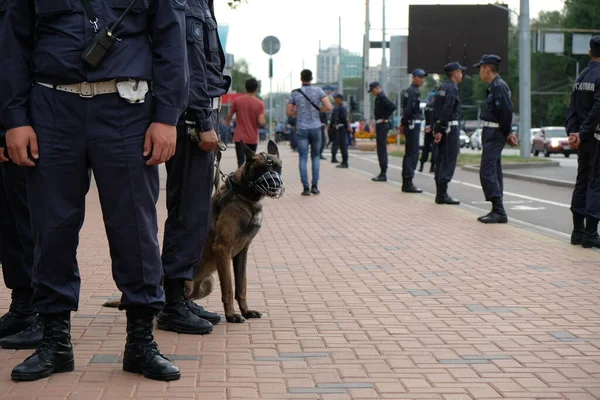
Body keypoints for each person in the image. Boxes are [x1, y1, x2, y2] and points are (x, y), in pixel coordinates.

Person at [1, 1, 188, 382]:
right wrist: (13, 120)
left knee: (134, 227)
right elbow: (12, 45)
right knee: (51, 228)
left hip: (127, 109)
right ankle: (54, 341)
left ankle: (140, 342)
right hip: (51, 108)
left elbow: (171, 42)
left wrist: (167, 117)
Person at [159, 0, 231, 337]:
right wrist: (203, 120)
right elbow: (192, 67)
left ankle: (178, 297)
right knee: (189, 212)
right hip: (192, 119)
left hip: (201, 115)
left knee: (194, 212)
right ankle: (173, 301)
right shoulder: (186, 4)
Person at [474, 54, 518, 224]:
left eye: (480, 68)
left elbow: (505, 112)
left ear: (487, 68)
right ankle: (496, 209)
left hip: (495, 134)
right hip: (491, 133)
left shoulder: (499, 86)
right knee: (493, 170)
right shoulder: (495, 86)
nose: (479, 72)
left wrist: (508, 133)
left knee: (487, 170)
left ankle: (499, 210)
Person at [565, 35, 600, 249]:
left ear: (590, 53)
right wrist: (584, 132)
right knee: (596, 182)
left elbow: (571, 108)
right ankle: (590, 233)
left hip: (583, 140)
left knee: (581, 182)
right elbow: (598, 109)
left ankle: (577, 231)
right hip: (595, 138)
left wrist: (573, 133)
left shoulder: (581, 77)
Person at [287, 69, 333, 196]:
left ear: (301, 78)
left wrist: (299, 112)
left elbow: (289, 112)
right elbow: (329, 107)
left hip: (301, 128)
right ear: (311, 79)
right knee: (315, 156)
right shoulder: (318, 91)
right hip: (316, 127)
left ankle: (305, 188)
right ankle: (315, 186)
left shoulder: (295, 93)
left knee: (303, 157)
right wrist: (319, 110)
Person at [432, 62, 466, 205]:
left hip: (442, 127)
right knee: (449, 160)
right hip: (450, 128)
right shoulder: (452, 88)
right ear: (455, 73)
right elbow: (447, 108)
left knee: (441, 160)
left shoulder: (442, 87)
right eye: (461, 72)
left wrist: (437, 127)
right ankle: (442, 194)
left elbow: (436, 109)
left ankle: (440, 193)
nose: (462, 75)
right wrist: (442, 128)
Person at [226, 78, 265, 167]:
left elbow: (229, 116)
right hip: (252, 138)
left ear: (245, 87)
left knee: (240, 162)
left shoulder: (237, 101)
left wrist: (226, 125)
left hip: (239, 137)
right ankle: (249, 180)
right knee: (251, 162)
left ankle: (240, 180)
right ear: (256, 89)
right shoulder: (260, 104)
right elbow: (261, 121)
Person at [400, 69, 427, 193]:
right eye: (419, 77)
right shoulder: (413, 92)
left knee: (410, 153)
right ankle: (408, 182)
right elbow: (409, 110)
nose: (422, 80)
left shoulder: (410, 91)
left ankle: (407, 181)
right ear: (413, 77)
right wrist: (404, 123)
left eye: (423, 77)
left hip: (410, 124)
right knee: (413, 154)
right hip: (412, 124)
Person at [368, 82, 397, 182]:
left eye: (372, 90)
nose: (372, 93)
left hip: (382, 124)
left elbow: (393, 106)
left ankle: (383, 173)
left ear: (377, 88)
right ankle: (382, 172)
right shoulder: (380, 97)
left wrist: (385, 117)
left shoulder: (382, 97)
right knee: (380, 148)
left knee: (382, 149)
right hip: (380, 124)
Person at [329, 94, 350, 168]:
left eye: (336, 98)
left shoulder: (342, 108)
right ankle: (342, 161)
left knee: (343, 145)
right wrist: (330, 127)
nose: (335, 100)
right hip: (337, 128)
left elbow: (344, 118)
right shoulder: (336, 107)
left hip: (341, 128)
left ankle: (345, 162)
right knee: (340, 145)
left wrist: (347, 127)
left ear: (339, 99)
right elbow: (333, 119)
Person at [420, 99, 437, 173]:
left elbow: (426, 116)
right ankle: (432, 167)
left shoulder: (427, 106)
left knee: (425, 148)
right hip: (434, 129)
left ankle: (421, 166)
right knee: (434, 149)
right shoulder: (438, 106)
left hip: (427, 128)